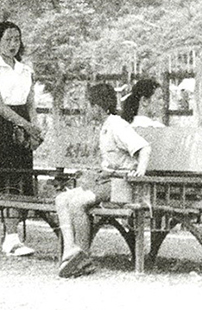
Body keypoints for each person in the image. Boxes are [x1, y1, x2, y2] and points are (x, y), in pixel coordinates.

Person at [52, 82, 150, 279]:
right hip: (106, 180)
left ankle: (82, 254)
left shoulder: (117, 125)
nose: (88, 109)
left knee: (78, 203)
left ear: (97, 106)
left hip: (120, 184)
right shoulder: (106, 126)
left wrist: (140, 171)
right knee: (61, 199)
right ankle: (70, 251)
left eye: (89, 105)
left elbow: (144, 148)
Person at [0, 20, 43, 257]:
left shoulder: (25, 69)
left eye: (17, 39)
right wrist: (24, 124)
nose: (13, 44)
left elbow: (30, 102)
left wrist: (35, 127)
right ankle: (10, 237)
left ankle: (15, 235)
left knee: (24, 175)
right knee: (8, 177)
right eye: (8, 39)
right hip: (3, 124)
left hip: (24, 122)